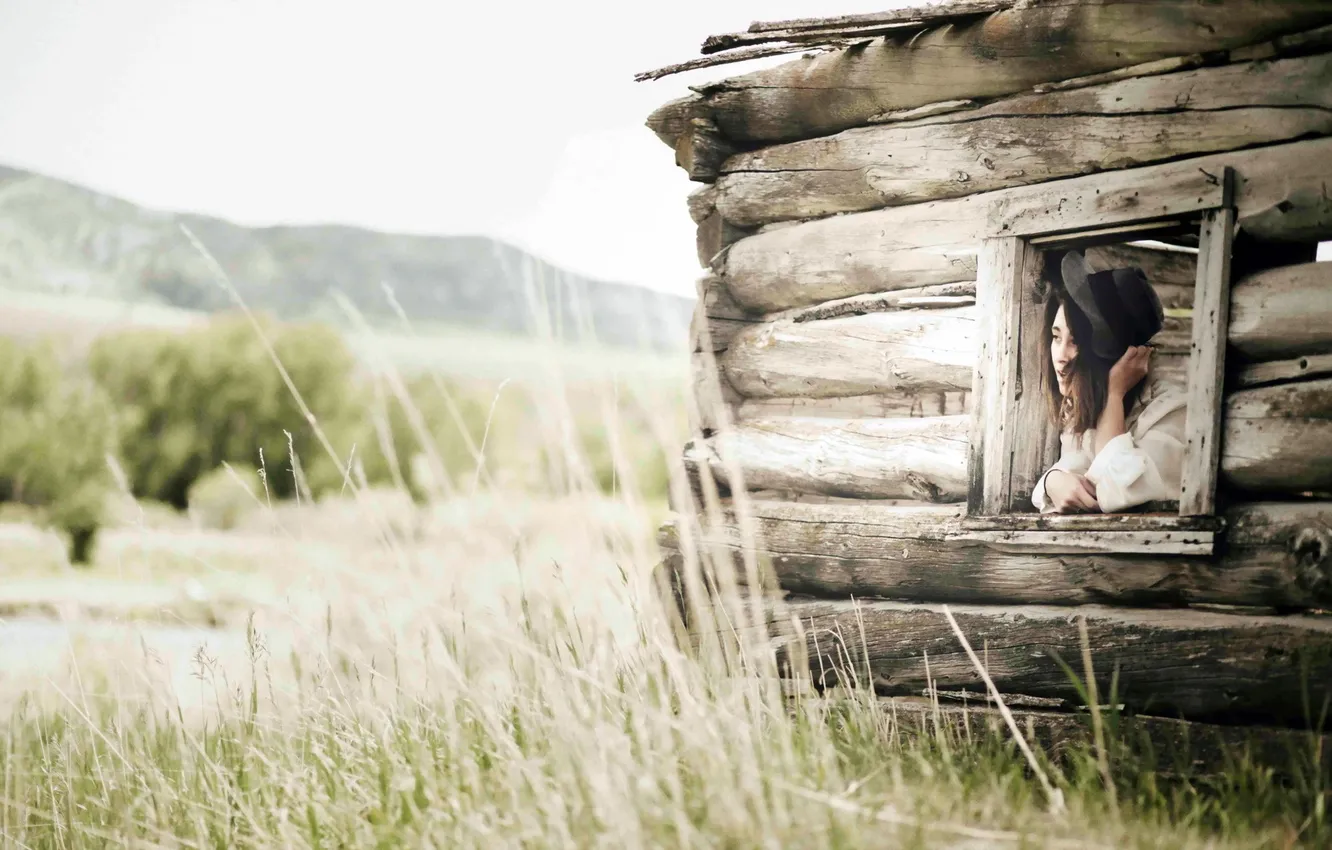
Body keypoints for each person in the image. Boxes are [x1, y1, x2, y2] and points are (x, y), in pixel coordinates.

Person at [1032, 249, 1189, 514]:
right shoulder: (1084, 407)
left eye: (1076, 342)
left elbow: (1114, 492)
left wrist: (1115, 394)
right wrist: (1051, 481)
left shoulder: (1172, 412)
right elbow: (1076, 464)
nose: (1060, 356)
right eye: (1056, 337)